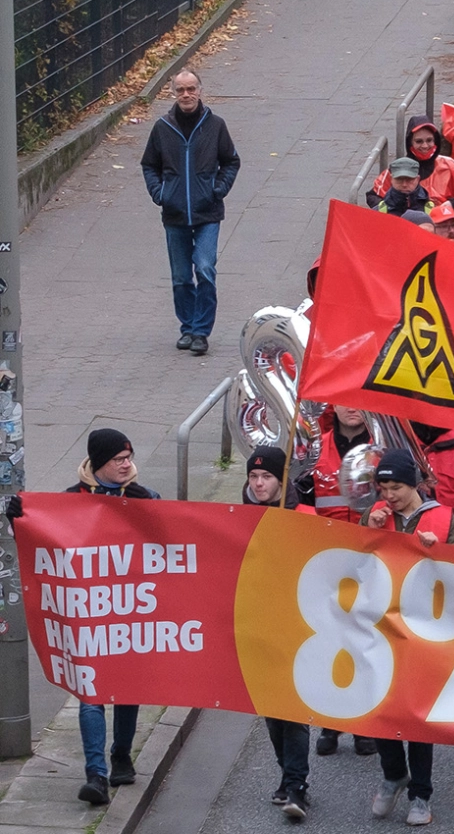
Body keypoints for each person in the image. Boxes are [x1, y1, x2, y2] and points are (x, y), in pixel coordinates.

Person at [36, 430, 159, 804]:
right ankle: (96, 776)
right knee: (90, 693)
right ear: (99, 462)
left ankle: (121, 754)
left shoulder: (146, 498)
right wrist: (19, 518)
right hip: (86, 611)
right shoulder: (70, 502)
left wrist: (153, 513)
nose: (127, 464)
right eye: (119, 459)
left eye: (129, 457)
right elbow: (41, 535)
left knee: (127, 687)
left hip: (130, 608)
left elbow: (170, 545)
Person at [362, 451, 454, 825]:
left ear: (414, 483)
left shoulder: (443, 517)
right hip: (381, 625)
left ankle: (421, 793)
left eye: (396, 486)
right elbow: (355, 563)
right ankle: (392, 773)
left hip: (425, 628)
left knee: (417, 714)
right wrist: (368, 527)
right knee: (382, 707)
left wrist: (441, 552)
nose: (389, 494)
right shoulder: (373, 515)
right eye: (383, 487)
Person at [140, 69, 240, 356]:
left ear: (200, 90)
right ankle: (187, 326)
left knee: (205, 268)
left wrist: (217, 190)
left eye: (191, 89)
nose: (186, 95)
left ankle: (201, 332)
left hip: (207, 212)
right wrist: (160, 194)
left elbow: (231, 161)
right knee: (182, 276)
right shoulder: (162, 128)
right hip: (174, 214)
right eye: (181, 90)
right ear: (174, 93)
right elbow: (149, 165)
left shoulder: (215, 125)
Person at [240, 446, 313, 819]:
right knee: (271, 711)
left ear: (281, 480)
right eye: (253, 477)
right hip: (257, 627)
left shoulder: (304, 515)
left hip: (297, 627)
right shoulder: (236, 518)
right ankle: (287, 775)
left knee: (293, 708)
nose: (259, 483)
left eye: (267, 476)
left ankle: (297, 784)